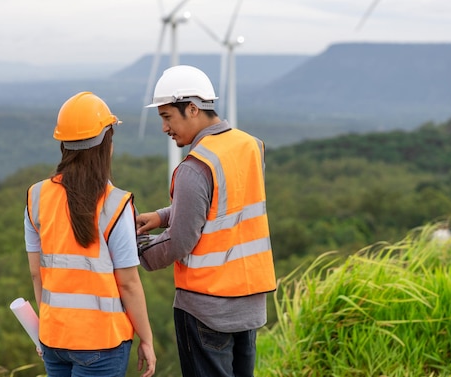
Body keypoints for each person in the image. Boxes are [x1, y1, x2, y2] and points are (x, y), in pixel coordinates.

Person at [135, 65, 276, 377]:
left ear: (192, 109)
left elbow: (181, 240)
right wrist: (161, 216)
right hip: (248, 303)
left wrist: (134, 248)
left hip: (206, 308)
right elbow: (222, 206)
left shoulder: (194, 166)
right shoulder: (251, 146)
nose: (164, 128)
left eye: (167, 116)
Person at [23, 91, 157, 377]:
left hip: (53, 338)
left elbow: (37, 274)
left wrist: (46, 325)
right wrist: (146, 338)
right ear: (106, 141)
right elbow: (129, 284)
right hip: (102, 342)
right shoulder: (115, 204)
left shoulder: (35, 197)